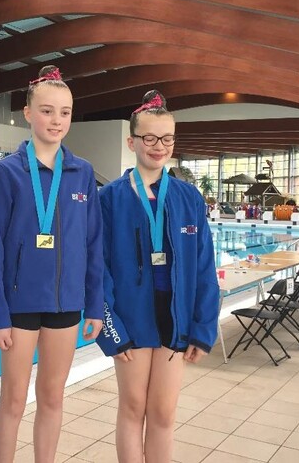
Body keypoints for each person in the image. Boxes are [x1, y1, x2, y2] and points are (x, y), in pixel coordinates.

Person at [0, 66, 103, 462]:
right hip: (19, 306)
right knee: (13, 400)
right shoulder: (7, 172)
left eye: (64, 112)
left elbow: (93, 243)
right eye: (47, 111)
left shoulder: (82, 172)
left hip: (66, 303)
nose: (56, 120)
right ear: (28, 113)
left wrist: (95, 305)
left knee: (52, 397)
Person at [95, 90, 220, 463]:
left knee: (163, 413)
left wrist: (203, 328)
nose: (159, 146)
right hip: (130, 317)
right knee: (133, 407)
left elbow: (204, 266)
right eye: (149, 138)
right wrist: (111, 328)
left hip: (175, 317)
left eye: (167, 138)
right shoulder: (110, 199)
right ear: (131, 141)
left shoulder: (188, 197)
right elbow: (97, 269)